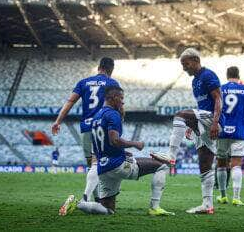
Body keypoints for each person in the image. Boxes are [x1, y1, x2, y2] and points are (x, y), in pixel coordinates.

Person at [59, 86, 174, 216]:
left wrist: (122, 152)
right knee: (161, 165)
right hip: (117, 165)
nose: (123, 102)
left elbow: (100, 144)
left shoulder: (97, 116)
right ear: (114, 98)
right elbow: (114, 140)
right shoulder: (113, 114)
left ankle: (78, 203)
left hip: (103, 168)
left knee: (108, 210)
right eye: (121, 98)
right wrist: (135, 144)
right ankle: (154, 207)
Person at [151, 48, 224, 214]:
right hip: (203, 122)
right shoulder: (195, 81)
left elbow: (218, 98)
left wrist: (215, 122)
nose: (184, 68)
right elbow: (201, 107)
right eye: (182, 65)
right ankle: (207, 205)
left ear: (196, 59)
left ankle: (171, 155)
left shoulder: (208, 75)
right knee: (205, 164)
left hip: (212, 119)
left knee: (179, 115)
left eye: (186, 64)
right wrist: (192, 125)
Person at [52, 57, 120, 204]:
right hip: (104, 128)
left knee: (92, 165)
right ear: (111, 69)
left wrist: (58, 121)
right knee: (105, 164)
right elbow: (118, 105)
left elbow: (70, 101)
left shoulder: (83, 82)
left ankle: (95, 199)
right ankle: (104, 199)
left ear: (99, 67)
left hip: (87, 128)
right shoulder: (112, 83)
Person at [216, 66, 244, 206]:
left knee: (221, 163)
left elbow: (214, 109)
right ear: (238, 75)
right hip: (239, 131)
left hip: (222, 131)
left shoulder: (220, 89)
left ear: (227, 75)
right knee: (236, 165)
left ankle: (222, 196)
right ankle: (236, 197)